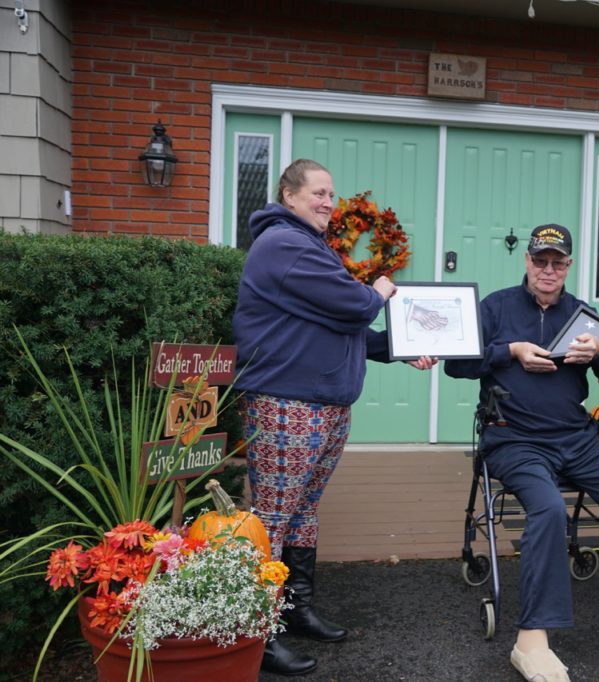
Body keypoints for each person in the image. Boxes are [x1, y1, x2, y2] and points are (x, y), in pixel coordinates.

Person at [446, 224, 599, 682]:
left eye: (557, 262)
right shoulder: (496, 307)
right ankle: (531, 640)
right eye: (540, 260)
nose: (548, 269)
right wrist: (511, 351)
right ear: (527, 261)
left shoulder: (582, 315)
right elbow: (456, 363)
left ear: (568, 266)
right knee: (548, 509)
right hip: (514, 439)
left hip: (577, 439)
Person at [233, 158, 435, 676]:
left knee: (303, 511)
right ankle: (259, 634)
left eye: (331, 194)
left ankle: (295, 610)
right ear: (289, 195)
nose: (328, 202)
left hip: (323, 404)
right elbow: (354, 305)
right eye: (318, 192)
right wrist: (380, 291)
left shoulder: (310, 246)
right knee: (273, 517)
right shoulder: (283, 244)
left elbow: (341, 326)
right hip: (285, 403)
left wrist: (400, 349)